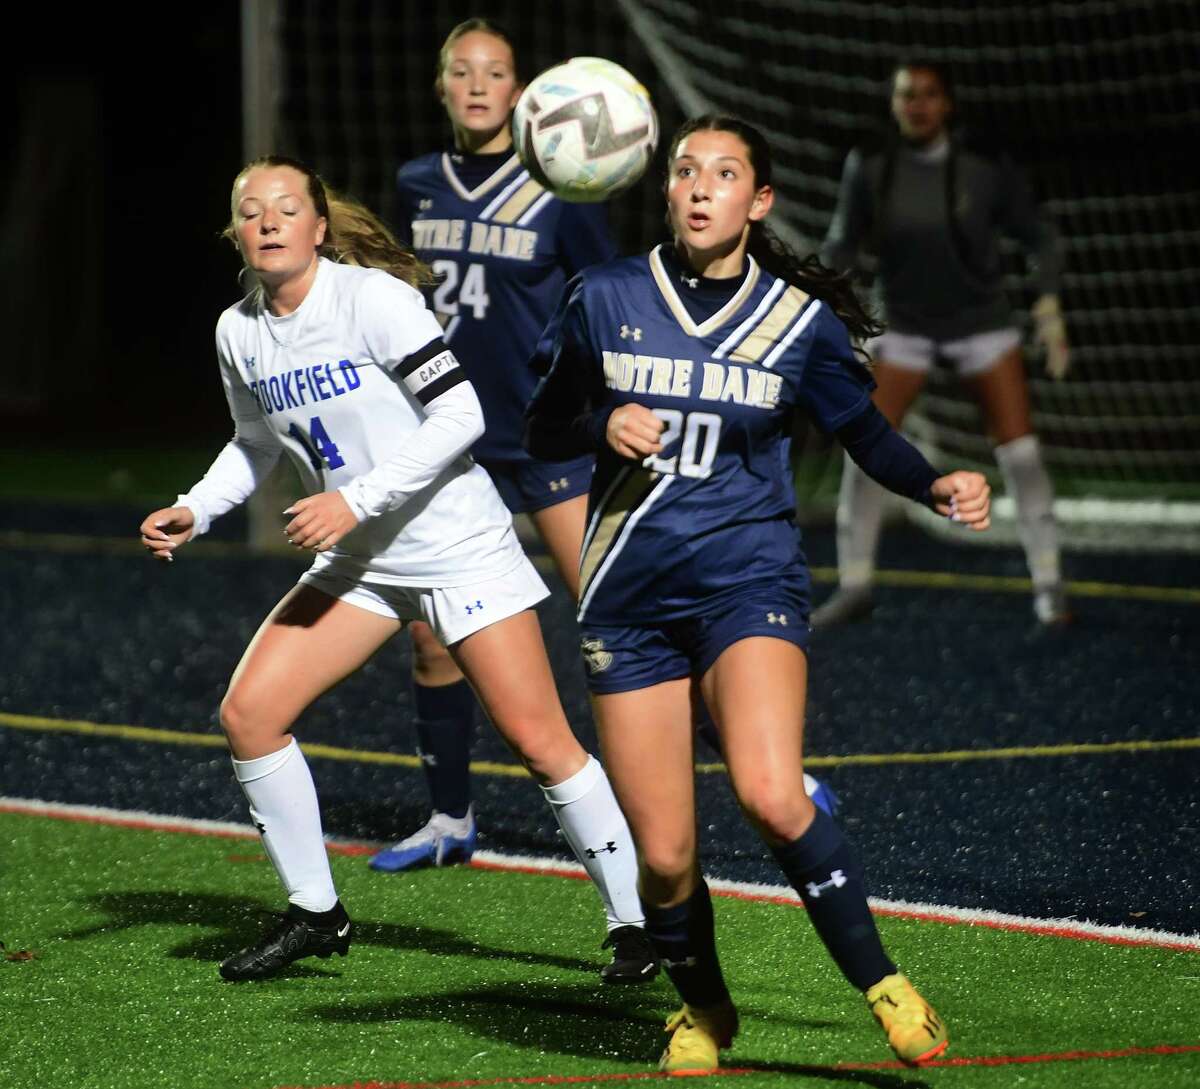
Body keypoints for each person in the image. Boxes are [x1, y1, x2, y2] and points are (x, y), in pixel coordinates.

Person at [524, 115, 992, 1072]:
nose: (700, 187)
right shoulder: (604, 295)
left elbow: (863, 431)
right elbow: (543, 429)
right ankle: (706, 1009)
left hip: (749, 581)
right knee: (661, 858)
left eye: (725, 173)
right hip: (628, 597)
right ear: (665, 191)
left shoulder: (796, 321)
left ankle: (883, 984)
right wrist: (603, 418)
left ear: (759, 200)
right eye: (686, 171)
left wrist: (934, 481)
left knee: (773, 794)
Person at [138, 156, 648, 984]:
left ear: (316, 226)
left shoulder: (372, 300)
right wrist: (196, 507)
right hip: (362, 563)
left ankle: (636, 919)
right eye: (250, 210)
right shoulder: (239, 329)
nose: (267, 221)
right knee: (250, 714)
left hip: (455, 548)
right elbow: (255, 442)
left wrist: (356, 500)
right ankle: (316, 912)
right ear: (235, 232)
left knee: (539, 740)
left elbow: (464, 411)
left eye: (284, 207)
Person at [357, 18, 654, 983]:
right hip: (447, 443)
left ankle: (671, 799)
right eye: (461, 72)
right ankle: (450, 818)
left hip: (546, 438)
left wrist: (612, 398)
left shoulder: (564, 186)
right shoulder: (413, 184)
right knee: (434, 636)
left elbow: (606, 297)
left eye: (495, 73)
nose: (478, 86)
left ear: (525, 92)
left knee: (610, 614)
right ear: (440, 86)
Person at [817, 60, 1070, 628]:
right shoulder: (871, 167)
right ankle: (855, 584)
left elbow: (1039, 236)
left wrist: (1048, 305)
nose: (917, 105)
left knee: (1020, 452)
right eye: (907, 95)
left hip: (981, 323)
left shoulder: (985, 168)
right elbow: (841, 243)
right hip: (904, 323)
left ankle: (1049, 583)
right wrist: (819, 298)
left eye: (929, 95)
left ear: (947, 104)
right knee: (865, 443)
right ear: (893, 103)